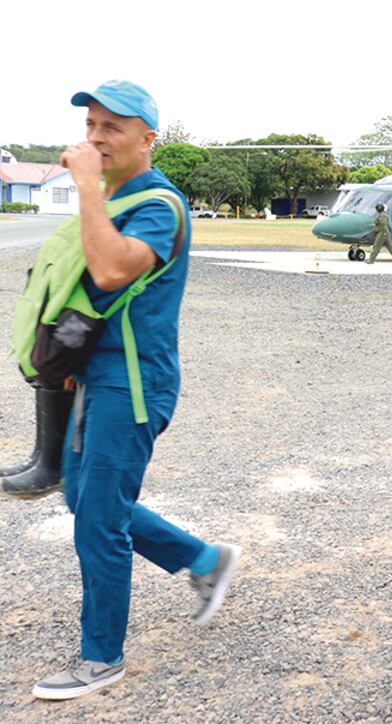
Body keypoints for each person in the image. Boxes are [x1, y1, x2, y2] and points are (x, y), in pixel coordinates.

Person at [29, 80, 240, 701]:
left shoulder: (157, 204)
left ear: (149, 139)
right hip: (99, 374)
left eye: (112, 128)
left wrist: (88, 189)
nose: (95, 138)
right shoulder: (119, 197)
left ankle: (102, 658)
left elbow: (112, 268)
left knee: (97, 516)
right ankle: (204, 560)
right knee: (81, 496)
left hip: (134, 383)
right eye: (91, 126)